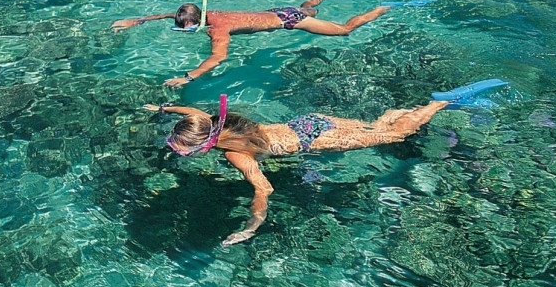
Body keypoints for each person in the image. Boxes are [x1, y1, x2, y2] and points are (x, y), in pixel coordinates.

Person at [145, 80, 508, 246]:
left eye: (187, 150)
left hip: (315, 139)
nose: (185, 154)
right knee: (376, 129)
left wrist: (253, 224)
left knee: (395, 137)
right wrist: (163, 108)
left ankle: (441, 103)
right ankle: (407, 111)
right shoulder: (214, 120)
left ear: (205, 144)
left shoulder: (236, 154)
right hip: (309, 122)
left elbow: (264, 188)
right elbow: (188, 111)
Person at [112, 0, 390, 87]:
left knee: (344, 31)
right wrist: (135, 21)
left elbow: (218, 58)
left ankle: (381, 8)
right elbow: (164, 14)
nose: (183, 29)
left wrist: (188, 77)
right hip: (279, 11)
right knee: (308, 9)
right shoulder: (210, 14)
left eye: (185, 27)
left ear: (197, 21)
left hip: (289, 21)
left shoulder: (217, 29)